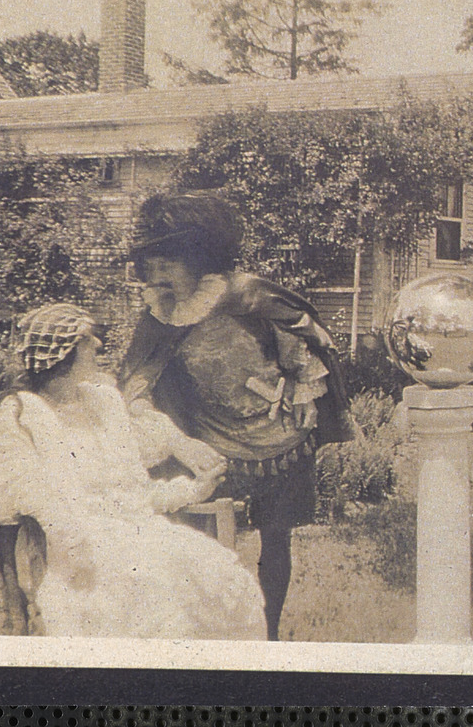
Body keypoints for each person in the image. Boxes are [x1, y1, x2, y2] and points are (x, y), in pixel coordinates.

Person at [117, 190, 357, 641]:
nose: (157, 273)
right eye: (152, 263)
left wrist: (302, 389)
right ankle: (204, 634)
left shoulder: (248, 295)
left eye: (168, 262)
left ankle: (267, 635)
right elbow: (136, 382)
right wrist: (168, 433)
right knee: (192, 536)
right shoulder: (159, 314)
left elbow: (305, 341)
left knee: (276, 538)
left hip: (278, 437)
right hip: (208, 438)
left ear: (198, 257)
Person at [0, 303, 267, 640]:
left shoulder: (103, 404)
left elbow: (133, 492)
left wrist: (192, 490)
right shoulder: (23, 416)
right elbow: (27, 500)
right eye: (88, 338)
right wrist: (79, 544)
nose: (98, 345)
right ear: (63, 350)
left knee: (217, 574)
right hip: (79, 549)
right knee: (155, 588)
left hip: (138, 532)